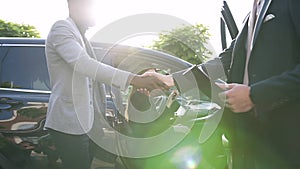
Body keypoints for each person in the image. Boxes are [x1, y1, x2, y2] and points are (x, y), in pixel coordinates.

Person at [147, 0, 300, 168]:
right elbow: (225, 60)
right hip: (250, 133)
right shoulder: (251, 15)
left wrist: (254, 95)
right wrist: (172, 80)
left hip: (286, 132)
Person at [44, 0, 168, 169]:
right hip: (70, 123)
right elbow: (84, 65)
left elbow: (95, 77)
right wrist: (134, 79)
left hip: (89, 123)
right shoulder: (62, 28)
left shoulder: (81, 36)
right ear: (74, 5)